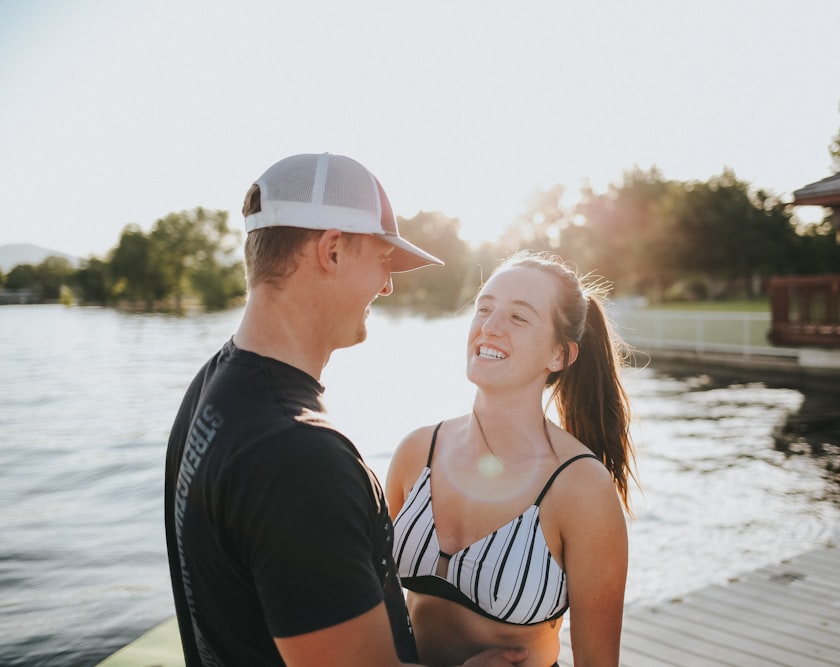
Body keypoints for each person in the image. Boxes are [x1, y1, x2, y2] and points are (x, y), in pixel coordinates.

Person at [164, 153, 528, 667]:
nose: (387, 286)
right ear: (331, 250)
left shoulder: (214, 385)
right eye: (383, 260)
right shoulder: (296, 457)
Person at [387, 250, 638, 667]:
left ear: (559, 355)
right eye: (484, 308)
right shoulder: (417, 452)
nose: (489, 326)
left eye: (518, 317)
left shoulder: (580, 488)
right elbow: (380, 613)